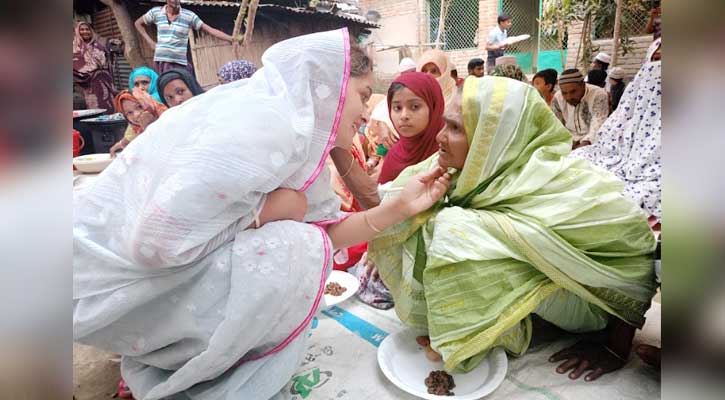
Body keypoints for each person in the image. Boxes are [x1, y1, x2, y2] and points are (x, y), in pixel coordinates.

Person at [73, 29, 452, 400]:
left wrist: (401, 206)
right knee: (290, 247)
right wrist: (262, 213)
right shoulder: (262, 125)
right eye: (363, 95)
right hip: (101, 285)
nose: (367, 110)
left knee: (301, 237)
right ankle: (191, 351)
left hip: (126, 279)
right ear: (329, 86)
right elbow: (154, 243)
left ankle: (195, 352)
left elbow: (326, 233)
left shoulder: (301, 144)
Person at [370, 76, 656, 381]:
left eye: (454, 127)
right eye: (444, 124)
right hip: (540, 305)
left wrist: (616, 346)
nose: (440, 136)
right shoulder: (451, 169)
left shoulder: (561, 187)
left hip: (590, 308)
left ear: (491, 137)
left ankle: (500, 328)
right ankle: (493, 327)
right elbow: (388, 202)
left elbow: (637, 252)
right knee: (434, 219)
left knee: (453, 229)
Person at [378, 72, 446, 184]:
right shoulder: (393, 156)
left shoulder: (448, 153)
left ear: (433, 107)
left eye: (415, 107)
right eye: (397, 108)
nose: (404, 116)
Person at [135, 0, 233, 75]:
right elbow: (138, 23)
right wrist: (150, 42)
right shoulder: (156, 12)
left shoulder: (189, 16)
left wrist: (232, 39)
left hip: (179, 63)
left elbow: (211, 30)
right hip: (161, 62)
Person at [551, 69, 609, 148]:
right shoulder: (558, 97)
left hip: (592, 140)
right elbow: (555, 124)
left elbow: (598, 122)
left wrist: (585, 143)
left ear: (583, 85)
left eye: (573, 91)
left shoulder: (599, 94)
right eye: (564, 93)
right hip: (568, 140)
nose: (569, 97)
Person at [108, 89, 167, 157]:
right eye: (129, 113)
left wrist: (148, 126)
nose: (136, 115)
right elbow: (127, 139)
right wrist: (117, 146)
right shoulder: (134, 127)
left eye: (140, 107)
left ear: (148, 103)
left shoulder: (167, 117)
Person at [73, 21, 115, 112]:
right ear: (77, 31)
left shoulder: (98, 45)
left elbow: (107, 62)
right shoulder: (75, 48)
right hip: (86, 85)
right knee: (93, 110)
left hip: (105, 82)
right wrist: (91, 72)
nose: (85, 31)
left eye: (87, 29)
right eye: (82, 29)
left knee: (108, 107)